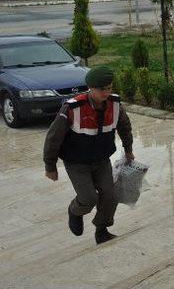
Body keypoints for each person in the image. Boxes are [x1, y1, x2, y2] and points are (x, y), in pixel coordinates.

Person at [43, 65, 134, 244]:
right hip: (76, 162)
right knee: (88, 198)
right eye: (102, 89)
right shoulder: (73, 108)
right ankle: (74, 211)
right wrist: (50, 166)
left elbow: (124, 127)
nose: (107, 92)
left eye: (109, 88)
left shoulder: (115, 105)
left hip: (101, 160)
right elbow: (53, 138)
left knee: (110, 195)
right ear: (91, 88)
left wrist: (128, 149)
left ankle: (102, 229)